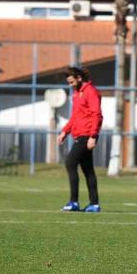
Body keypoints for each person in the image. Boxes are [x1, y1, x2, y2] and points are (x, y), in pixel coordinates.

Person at [59, 66, 103, 213]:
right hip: (79, 134)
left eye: (71, 82)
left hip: (86, 135)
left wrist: (93, 136)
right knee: (88, 170)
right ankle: (94, 204)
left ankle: (73, 202)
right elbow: (75, 116)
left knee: (70, 163)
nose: (70, 85)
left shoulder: (90, 92)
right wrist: (65, 131)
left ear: (79, 78)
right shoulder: (76, 93)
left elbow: (97, 114)